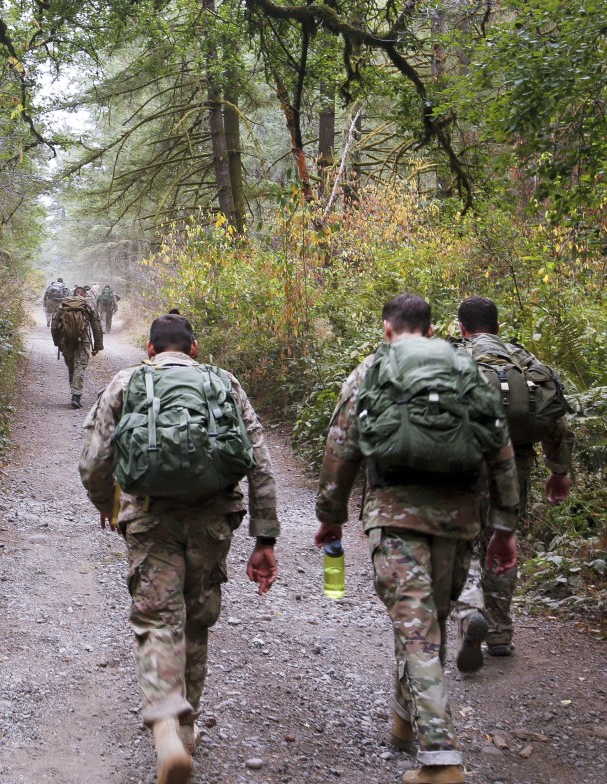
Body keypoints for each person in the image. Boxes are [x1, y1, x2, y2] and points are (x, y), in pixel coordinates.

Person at [315, 294, 520, 784]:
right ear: (431, 331)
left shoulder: (372, 369)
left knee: (416, 631)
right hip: (460, 519)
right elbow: (500, 445)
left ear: (388, 331)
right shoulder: (464, 366)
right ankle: (404, 720)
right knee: (431, 624)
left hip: (396, 516)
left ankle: (442, 759)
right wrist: (505, 525)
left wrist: (331, 516)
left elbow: (341, 448)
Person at [79, 314, 279, 784]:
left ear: (149, 349)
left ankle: (166, 723)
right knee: (196, 618)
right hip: (213, 520)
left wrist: (108, 505)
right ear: (193, 349)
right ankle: (187, 729)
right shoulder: (222, 382)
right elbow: (261, 462)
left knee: (156, 620)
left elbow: (93, 461)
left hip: (150, 518)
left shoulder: (126, 381)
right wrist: (264, 537)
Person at [452, 296, 573, 659]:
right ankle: (501, 632)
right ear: (498, 327)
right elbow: (556, 419)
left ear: (462, 328)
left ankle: (472, 612)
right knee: (501, 543)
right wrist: (559, 472)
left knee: (459, 546)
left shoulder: (453, 357)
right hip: (513, 470)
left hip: (462, 470)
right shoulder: (522, 360)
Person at [51, 285, 104, 409]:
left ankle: (74, 392)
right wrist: (97, 346)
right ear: (85, 294)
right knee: (80, 365)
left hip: (66, 341)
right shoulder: (87, 305)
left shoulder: (64, 305)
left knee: (71, 365)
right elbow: (96, 326)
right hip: (83, 340)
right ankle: (76, 396)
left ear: (73, 294)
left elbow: (54, 326)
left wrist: (58, 343)